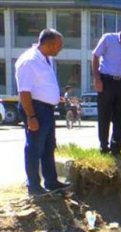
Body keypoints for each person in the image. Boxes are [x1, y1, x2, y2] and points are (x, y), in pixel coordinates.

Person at [15, 29, 69, 196]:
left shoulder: (46, 59)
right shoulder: (29, 61)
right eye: (59, 46)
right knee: (34, 148)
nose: (60, 49)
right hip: (35, 109)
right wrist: (31, 117)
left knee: (48, 147)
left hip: (47, 109)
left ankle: (51, 181)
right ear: (50, 44)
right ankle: (34, 186)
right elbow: (24, 92)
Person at [92, 22, 121, 156]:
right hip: (106, 80)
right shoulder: (108, 38)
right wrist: (97, 79)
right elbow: (95, 56)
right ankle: (103, 146)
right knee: (104, 114)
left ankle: (116, 148)